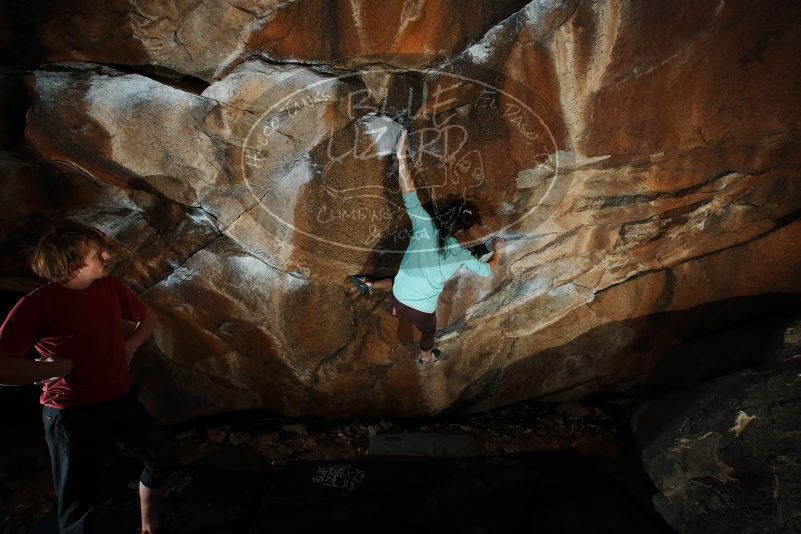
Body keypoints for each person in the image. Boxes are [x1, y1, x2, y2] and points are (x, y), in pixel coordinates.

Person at [0, 224, 177, 534]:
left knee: (162, 457)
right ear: (72, 263)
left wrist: (129, 347)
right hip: (71, 415)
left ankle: (150, 527)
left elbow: (148, 317)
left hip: (120, 400)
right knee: (78, 501)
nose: (106, 255)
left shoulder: (110, 288)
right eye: (97, 253)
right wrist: (53, 369)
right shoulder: (35, 305)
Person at [351, 130, 505, 364]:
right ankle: (425, 357)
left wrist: (402, 159)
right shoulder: (459, 253)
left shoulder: (424, 228)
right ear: (460, 231)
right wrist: (499, 251)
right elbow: (487, 271)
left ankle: (370, 283)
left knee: (398, 280)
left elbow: (409, 195)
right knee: (428, 331)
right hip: (418, 309)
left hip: (399, 295)